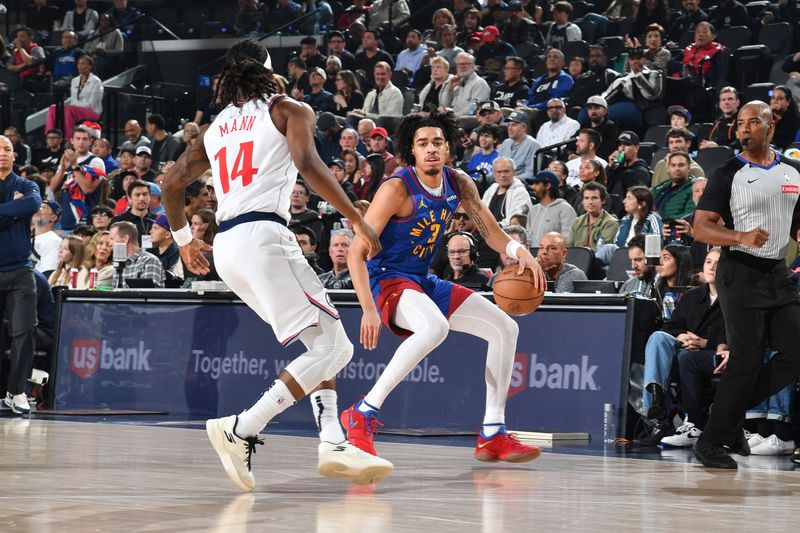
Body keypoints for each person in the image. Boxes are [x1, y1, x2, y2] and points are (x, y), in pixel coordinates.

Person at [160, 39, 392, 490]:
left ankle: (331, 440)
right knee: (338, 349)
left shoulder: (216, 127)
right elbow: (308, 164)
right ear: (270, 71)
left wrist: (186, 241)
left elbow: (170, 185)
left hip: (227, 246)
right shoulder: (288, 109)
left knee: (322, 339)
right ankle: (243, 427)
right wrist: (357, 219)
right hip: (264, 236)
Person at [341, 107, 545, 464]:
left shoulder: (459, 182)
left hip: (420, 279)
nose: (431, 148)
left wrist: (518, 250)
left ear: (448, 147)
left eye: (438, 142)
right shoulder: (396, 189)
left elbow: (489, 229)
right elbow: (356, 252)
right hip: (386, 277)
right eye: (423, 143)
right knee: (434, 327)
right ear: (412, 151)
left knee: (505, 328)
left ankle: (492, 433)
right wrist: (368, 309)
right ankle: (362, 411)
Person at [691, 101, 800, 469]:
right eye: (740, 123)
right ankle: (711, 442)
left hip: (778, 273)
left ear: (771, 126)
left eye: (754, 122)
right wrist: (739, 236)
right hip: (739, 271)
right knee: (746, 361)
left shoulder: (793, 171)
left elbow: (796, 220)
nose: (745, 129)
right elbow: (701, 226)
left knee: (794, 351)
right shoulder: (729, 173)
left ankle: (728, 415)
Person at [635, 247, 726, 447]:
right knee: (659, 336)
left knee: (686, 358)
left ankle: (665, 418)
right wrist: (681, 335)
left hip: (711, 355)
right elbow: (672, 326)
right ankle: (657, 403)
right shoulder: (693, 296)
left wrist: (704, 343)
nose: (712, 267)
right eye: (709, 262)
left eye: (719, 263)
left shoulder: (733, 299)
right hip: (683, 351)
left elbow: (732, 334)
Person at [0, 135, 42, 414]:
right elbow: (21, 208)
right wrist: (13, 210)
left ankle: (17, 392)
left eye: (7, 149)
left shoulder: (27, 185)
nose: (2, 153)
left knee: (25, 331)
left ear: (15, 155)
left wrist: (17, 208)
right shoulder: (19, 192)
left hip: (20, 270)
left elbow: (33, 204)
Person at [49, 124, 106, 234]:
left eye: (84, 139)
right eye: (78, 139)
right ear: (72, 141)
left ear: (90, 141)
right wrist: (62, 169)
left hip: (87, 221)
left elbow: (87, 189)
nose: (81, 142)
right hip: (66, 220)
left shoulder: (95, 161)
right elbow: (52, 187)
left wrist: (74, 165)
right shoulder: (67, 159)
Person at [526, 170, 577, 244]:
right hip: (533, 255)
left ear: (547, 186)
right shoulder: (533, 210)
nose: (533, 187)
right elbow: (528, 238)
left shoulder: (565, 209)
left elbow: (568, 240)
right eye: (533, 184)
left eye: (537, 183)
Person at [564, 182, 619, 251]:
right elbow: (569, 247)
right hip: (575, 259)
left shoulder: (611, 223)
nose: (590, 202)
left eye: (594, 198)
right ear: (582, 201)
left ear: (603, 200)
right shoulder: (577, 221)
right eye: (586, 198)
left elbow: (602, 252)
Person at [109, 221, 165, 288]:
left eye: (112, 239)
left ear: (125, 239)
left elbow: (148, 294)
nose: (109, 244)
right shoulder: (118, 263)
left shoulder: (149, 261)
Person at [482, 156, 533, 226]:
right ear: (494, 174)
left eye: (506, 171)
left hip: (509, 234)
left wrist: (491, 228)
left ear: (514, 172)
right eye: (499, 172)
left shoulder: (520, 192)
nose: (502, 175)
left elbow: (514, 221)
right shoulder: (491, 189)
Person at [441, 53, 491, 117]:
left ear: (473, 66)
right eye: (459, 64)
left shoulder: (480, 83)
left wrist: (452, 116)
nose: (462, 66)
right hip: (452, 119)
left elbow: (472, 110)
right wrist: (449, 89)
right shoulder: (456, 82)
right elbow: (444, 105)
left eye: (466, 64)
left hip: (466, 121)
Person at [652, 152, 697, 221]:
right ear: (668, 168)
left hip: (673, 229)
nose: (677, 169)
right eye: (673, 165)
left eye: (681, 165)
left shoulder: (695, 188)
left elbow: (689, 216)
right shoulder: (660, 188)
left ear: (689, 167)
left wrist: (661, 220)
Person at [497, 111, 540, 183]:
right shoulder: (506, 143)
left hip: (520, 186)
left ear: (524, 127)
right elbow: (497, 168)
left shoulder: (533, 145)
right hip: (501, 183)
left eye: (513, 125)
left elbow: (531, 174)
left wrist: (508, 180)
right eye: (509, 125)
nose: (510, 128)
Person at [111, 179, 154, 247]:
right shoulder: (118, 221)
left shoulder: (157, 221)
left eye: (145, 194)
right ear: (129, 199)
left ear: (149, 197)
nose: (141, 198)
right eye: (137, 195)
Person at [31, 200, 63, 275]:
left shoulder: (52, 240)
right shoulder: (29, 237)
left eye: (43, 207)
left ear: (53, 218)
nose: (38, 209)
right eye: (38, 206)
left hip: (37, 284)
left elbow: (49, 272)